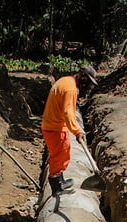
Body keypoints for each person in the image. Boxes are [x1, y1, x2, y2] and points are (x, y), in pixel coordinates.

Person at [41, 65, 99, 196]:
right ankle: (56, 188)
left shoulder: (65, 80)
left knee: (64, 153)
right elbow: (68, 113)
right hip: (54, 127)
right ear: (82, 77)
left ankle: (60, 181)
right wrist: (77, 131)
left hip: (56, 124)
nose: (87, 86)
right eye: (88, 82)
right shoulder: (70, 89)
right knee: (58, 156)